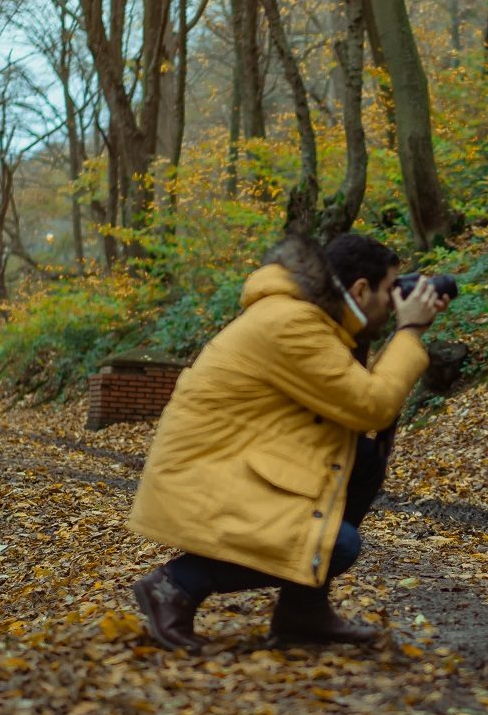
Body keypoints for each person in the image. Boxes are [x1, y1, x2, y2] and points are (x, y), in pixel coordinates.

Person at [126, 233, 449, 650]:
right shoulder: (291, 323)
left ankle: (303, 611)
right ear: (360, 289)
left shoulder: (309, 319)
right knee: (339, 546)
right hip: (205, 480)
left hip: (234, 467)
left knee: (364, 459)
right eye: (390, 290)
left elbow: (353, 412)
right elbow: (371, 406)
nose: (395, 301)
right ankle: (175, 584)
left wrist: (394, 329)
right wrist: (410, 330)